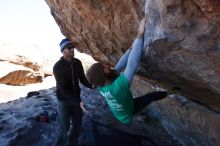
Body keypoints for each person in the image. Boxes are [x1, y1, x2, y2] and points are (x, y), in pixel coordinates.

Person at [86, 17, 179, 124]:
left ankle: (137, 117)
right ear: (104, 74)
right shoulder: (118, 87)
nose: (107, 65)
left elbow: (119, 66)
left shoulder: (102, 85)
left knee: (128, 103)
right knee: (151, 97)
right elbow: (132, 64)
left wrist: (131, 48)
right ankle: (170, 92)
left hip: (120, 112)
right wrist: (140, 34)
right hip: (128, 114)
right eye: (104, 67)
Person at [53, 38, 93, 146]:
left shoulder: (78, 63)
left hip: (76, 99)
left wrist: (92, 86)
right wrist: (77, 101)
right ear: (63, 51)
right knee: (64, 127)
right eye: (69, 48)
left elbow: (83, 79)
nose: (72, 50)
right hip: (63, 101)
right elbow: (63, 89)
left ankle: (72, 144)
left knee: (77, 125)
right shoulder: (57, 67)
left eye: (73, 47)